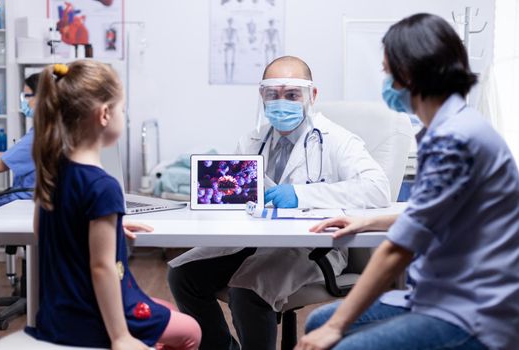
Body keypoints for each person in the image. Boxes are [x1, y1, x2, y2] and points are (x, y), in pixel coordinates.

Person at [297, 13, 519, 350]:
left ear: (410, 74)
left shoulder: (455, 139)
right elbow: (434, 213)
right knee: (318, 320)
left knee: (336, 339)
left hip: (473, 310)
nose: (385, 80)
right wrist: (368, 220)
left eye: (387, 71)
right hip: (438, 295)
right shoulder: (447, 129)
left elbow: (398, 248)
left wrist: (337, 327)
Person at [168, 56, 391, 350]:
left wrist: (300, 195)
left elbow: (377, 189)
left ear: (312, 96)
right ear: (262, 96)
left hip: (312, 246)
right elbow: (235, 198)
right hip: (253, 241)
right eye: (273, 94)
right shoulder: (252, 140)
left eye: (291, 94)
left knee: (248, 287)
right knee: (183, 274)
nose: (280, 102)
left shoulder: (337, 140)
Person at [26, 60, 201, 350]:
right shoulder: (103, 186)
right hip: (90, 317)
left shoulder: (53, 171)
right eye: (122, 108)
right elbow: (101, 267)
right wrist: (120, 337)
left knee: (166, 309)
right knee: (191, 330)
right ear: (105, 114)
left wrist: (108, 225)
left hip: (58, 314)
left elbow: (43, 230)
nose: (123, 115)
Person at [0, 73, 40, 208]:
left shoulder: (40, 136)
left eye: (26, 96)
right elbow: (8, 157)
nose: (23, 101)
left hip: (22, 203)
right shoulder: (41, 130)